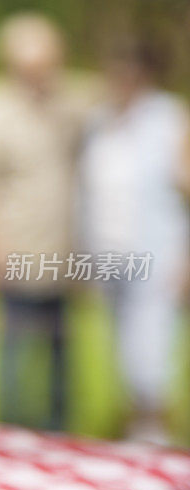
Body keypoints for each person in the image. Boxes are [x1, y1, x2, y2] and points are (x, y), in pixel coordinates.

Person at [0, 13, 95, 430]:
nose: (41, 76)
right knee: (14, 354)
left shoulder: (76, 100)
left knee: (61, 355)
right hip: (11, 251)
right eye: (32, 68)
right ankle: (11, 435)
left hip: (64, 253)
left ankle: (58, 435)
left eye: (49, 65)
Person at [79, 40, 190, 444]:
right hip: (111, 253)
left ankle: (156, 437)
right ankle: (134, 434)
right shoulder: (99, 122)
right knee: (123, 348)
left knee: (153, 349)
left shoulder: (170, 119)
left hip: (157, 251)